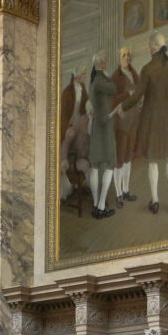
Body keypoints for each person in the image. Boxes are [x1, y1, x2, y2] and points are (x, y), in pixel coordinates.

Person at [113, 32, 168, 214]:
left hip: (150, 120)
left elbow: (138, 96)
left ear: (153, 48)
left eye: (149, 47)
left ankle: (154, 201)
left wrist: (122, 106)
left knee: (153, 161)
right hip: (165, 118)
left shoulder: (146, 69)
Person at [86, 52, 117, 219]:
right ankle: (101, 205)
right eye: (105, 61)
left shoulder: (92, 81)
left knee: (96, 165)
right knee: (110, 163)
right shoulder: (100, 80)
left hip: (97, 125)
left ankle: (97, 204)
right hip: (105, 125)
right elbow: (114, 88)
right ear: (103, 63)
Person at [111, 47, 141, 207]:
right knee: (120, 158)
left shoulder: (134, 73)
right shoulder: (116, 77)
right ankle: (118, 194)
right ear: (119, 58)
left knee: (129, 156)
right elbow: (112, 99)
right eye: (124, 55)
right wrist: (127, 95)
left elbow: (139, 91)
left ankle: (126, 190)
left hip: (134, 120)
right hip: (122, 122)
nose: (127, 58)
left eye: (129, 55)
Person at [59, 66, 90, 201]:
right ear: (77, 75)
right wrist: (67, 128)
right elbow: (62, 116)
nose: (85, 76)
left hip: (78, 124)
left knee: (86, 136)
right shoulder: (67, 92)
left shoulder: (83, 89)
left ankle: (82, 180)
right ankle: (65, 164)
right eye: (83, 73)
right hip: (69, 126)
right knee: (69, 137)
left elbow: (87, 105)